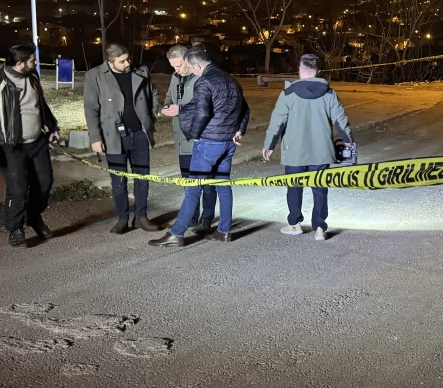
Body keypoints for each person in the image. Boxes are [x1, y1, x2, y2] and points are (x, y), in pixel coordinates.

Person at [0, 42, 61, 247]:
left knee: (45, 183)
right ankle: (15, 229)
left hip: (37, 143)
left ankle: (33, 217)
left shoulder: (33, 78)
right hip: (9, 146)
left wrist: (52, 127)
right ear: (19, 63)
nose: (37, 62)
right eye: (33, 60)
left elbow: (41, 105)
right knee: (18, 189)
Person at [150, 46, 247, 247]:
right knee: (223, 187)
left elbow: (203, 113)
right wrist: (240, 130)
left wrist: (194, 136)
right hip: (228, 142)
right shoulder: (230, 79)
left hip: (209, 142)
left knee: (192, 189)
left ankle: (176, 234)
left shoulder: (204, 81)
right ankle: (224, 231)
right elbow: (244, 108)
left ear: (196, 65)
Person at [262, 54, 352, 241]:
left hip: (294, 151)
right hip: (321, 151)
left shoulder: (288, 94)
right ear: (318, 71)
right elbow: (340, 120)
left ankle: (294, 224)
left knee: (294, 187)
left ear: (300, 69)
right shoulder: (329, 93)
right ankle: (319, 228)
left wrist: (269, 145)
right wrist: (348, 141)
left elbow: (278, 122)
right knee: (320, 189)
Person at [84, 43, 161, 234]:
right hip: (113, 136)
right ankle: (122, 219)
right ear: (110, 62)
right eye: (122, 61)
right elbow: (91, 108)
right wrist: (96, 137)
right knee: (118, 181)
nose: (127, 63)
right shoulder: (95, 76)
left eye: (128, 59)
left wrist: (150, 119)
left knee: (142, 177)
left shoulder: (141, 72)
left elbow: (153, 94)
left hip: (139, 134)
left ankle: (141, 217)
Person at [161, 44, 215, 233]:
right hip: (182, 139)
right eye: (173, 66)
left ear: (188, 60)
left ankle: (206, 219)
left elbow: (206, 106)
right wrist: (167, 106)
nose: (176, 69)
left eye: (178, 65)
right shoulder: (175, 77)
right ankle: (191, 218)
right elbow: (169, 97)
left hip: (201, 139)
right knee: (188, 182)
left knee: (206, 183)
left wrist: (181, 109)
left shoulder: (202, 77)